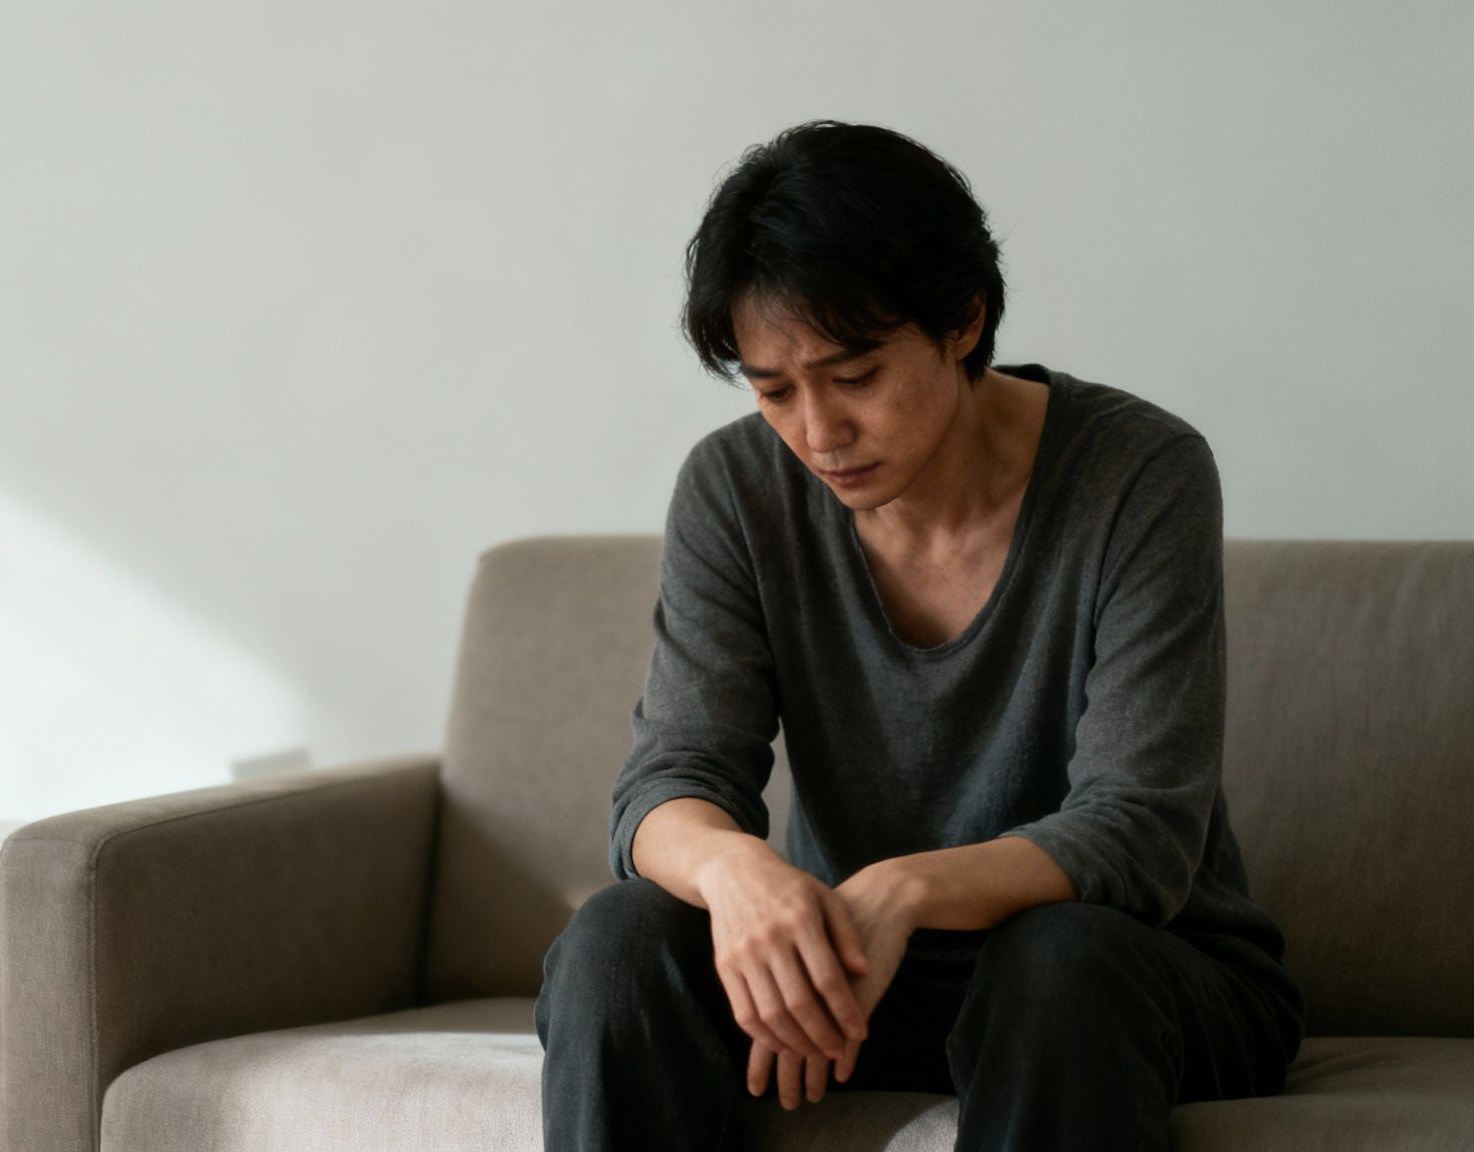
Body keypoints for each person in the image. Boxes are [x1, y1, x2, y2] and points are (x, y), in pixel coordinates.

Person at [533, 120, 1305, 1152]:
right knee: (614, 944)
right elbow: (668, 781)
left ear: (960, 321)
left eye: (853, 376)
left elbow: (1139, 830)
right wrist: (738, 876)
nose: (816, 432)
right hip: (850, 979)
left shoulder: (1139, 473)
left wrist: (901, 889)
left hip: (1126, 973)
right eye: (772, 390)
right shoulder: (734, 489)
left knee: (1055, 963)